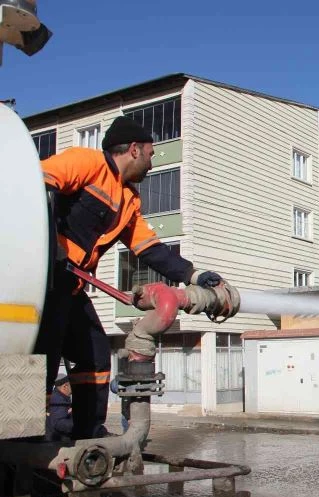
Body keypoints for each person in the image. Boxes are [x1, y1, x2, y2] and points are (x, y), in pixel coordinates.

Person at [34, 116, 222, 440]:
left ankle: (88, 437)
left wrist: (194, 274)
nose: (151, 164)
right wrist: (51, 246)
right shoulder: (85, 162)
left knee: (94, 355)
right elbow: (35, 183)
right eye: (151, 154)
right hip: (42, 282)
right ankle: (23, 447)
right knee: (39, 363)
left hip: (73, 287)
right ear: (134, 149)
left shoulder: (129, 200)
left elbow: (150, 249)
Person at [45, 374, 73, 441]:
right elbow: (59, 423)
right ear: (65, 386)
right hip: (58, 442)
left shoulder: (61, 397)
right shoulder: (58, 400)